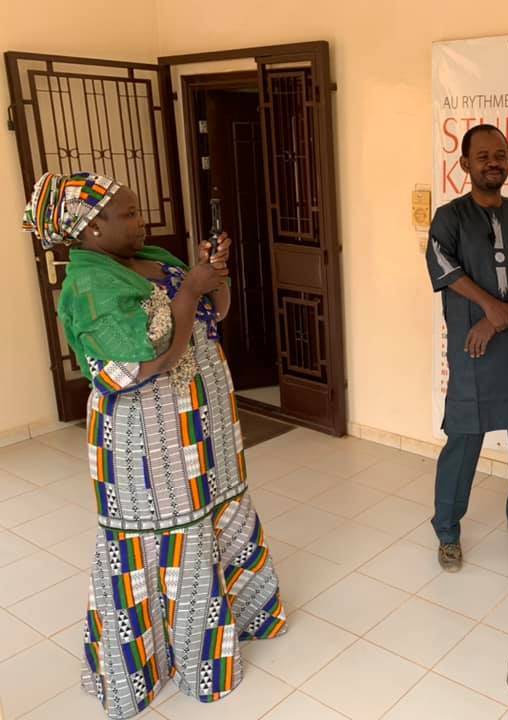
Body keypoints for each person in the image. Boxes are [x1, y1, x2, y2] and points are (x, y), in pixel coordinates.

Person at [22, 172, 287, 719]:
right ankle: (177, 662)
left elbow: (219, 314)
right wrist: (190, 288)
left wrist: (211, 276)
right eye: (128, 214)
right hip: (150, 444)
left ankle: (239, 614)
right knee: (173, 540)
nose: (140, 221)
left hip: (203, 428)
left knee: (217, 518)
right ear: (90, 228)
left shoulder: (152, 259)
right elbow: (150, 359)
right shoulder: (91, 288)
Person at [426, 124, 508, 572]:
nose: (493, 162)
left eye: (500, 154)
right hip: (474, 347)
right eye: (482, 155)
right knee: (463, 441)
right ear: (464, 164)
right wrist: (487, 309)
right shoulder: (449, 217)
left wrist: (504, 315)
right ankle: (447, 530)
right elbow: (444, 269)